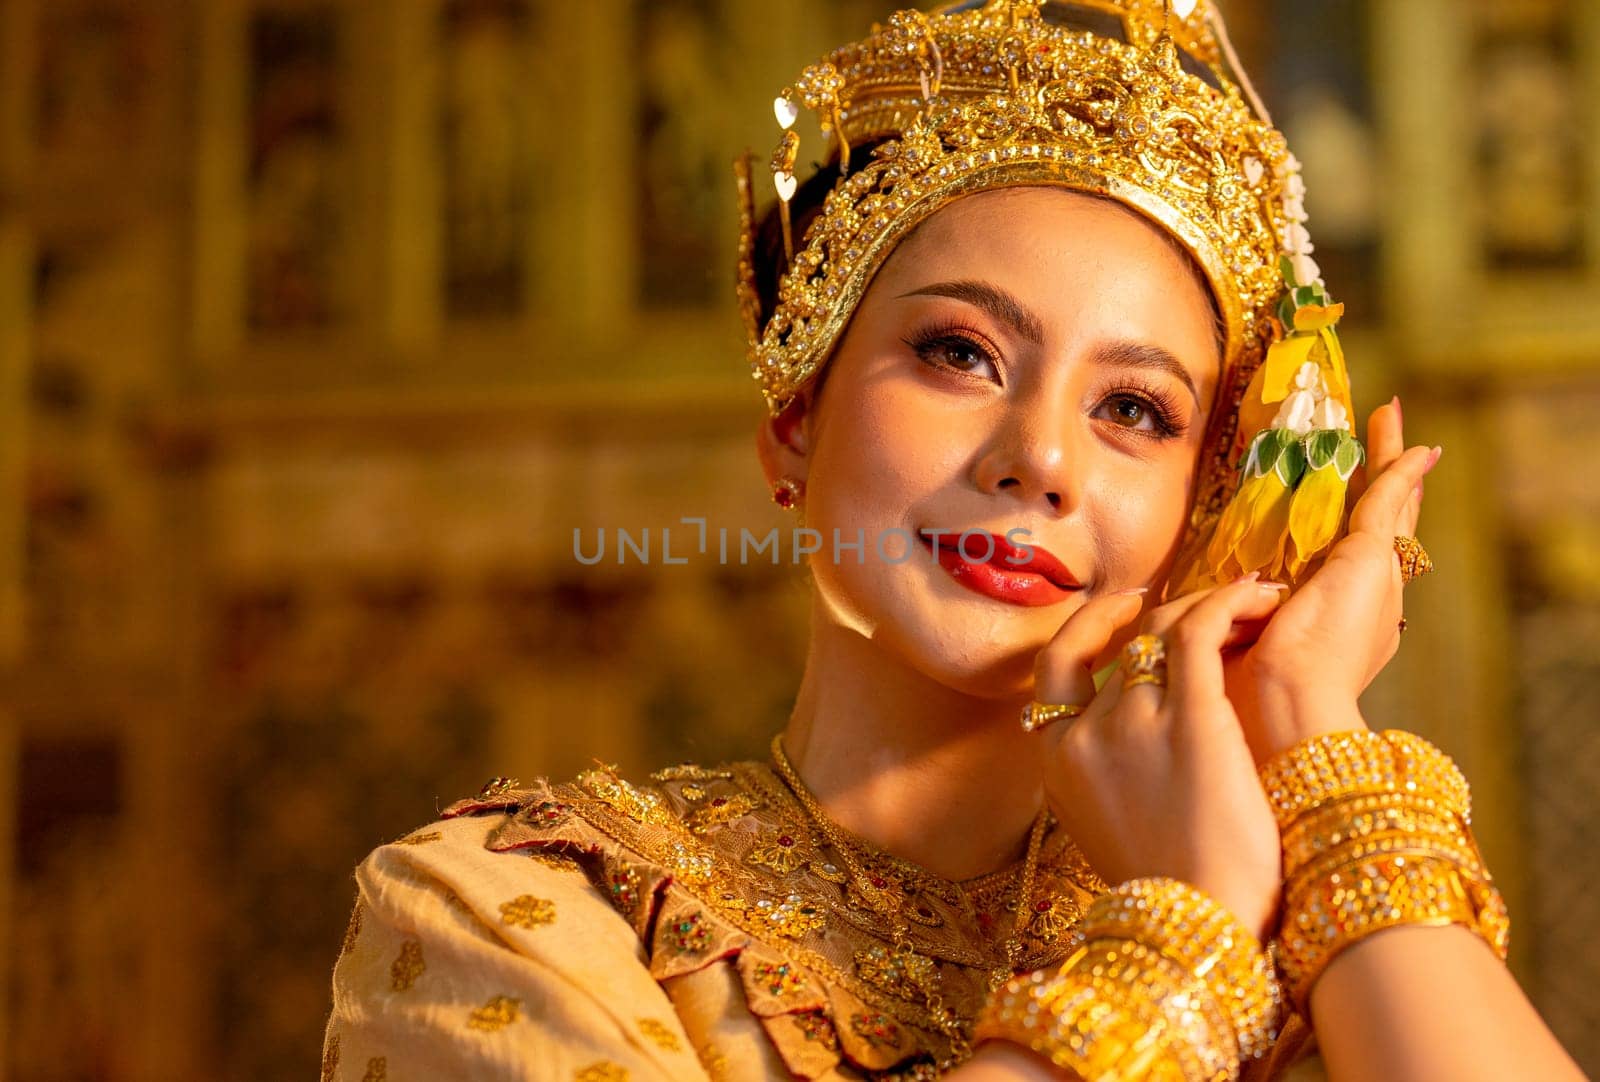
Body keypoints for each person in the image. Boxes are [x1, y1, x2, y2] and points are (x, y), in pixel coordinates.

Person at [320, 2, 1586, 1079]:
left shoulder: (1308, 927)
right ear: (795, 425)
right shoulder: (516, 915)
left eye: (1133, 409)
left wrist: (1313, 735)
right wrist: (1171, 952)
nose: (1038, 455)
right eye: (957, 353)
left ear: (1198, 510)